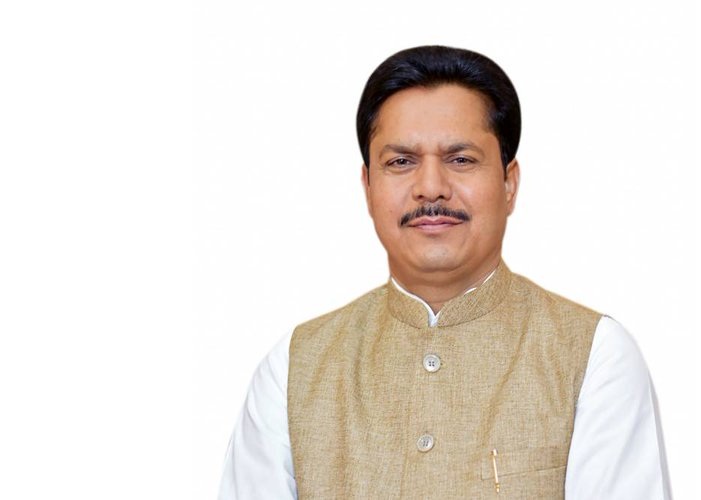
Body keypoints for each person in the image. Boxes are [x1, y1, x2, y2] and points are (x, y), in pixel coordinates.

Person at [219, 45, 671, 499]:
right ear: (368, 186)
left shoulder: (594, 356)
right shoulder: (294, 369)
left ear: (509, 183)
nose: (431, 188)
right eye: (401, 162)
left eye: (461, 160)